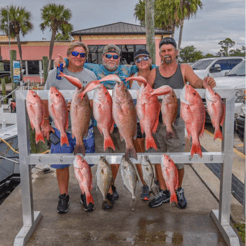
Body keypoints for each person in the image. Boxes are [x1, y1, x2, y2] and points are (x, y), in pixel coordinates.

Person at [147, 37, 216, 209]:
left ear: (176, 52)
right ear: (160, 54)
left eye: (169, 50)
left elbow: (196, 82)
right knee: (158, 158)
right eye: (163, 51)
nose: (166, 53)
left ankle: (177, 189)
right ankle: (164, 191)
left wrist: (206, 82)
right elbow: (145, 93)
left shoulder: (183, 69)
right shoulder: (154, 72)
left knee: (178, 159)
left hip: (177, 122)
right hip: (158, 123)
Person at [43, 42, 97, 213]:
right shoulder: (55, 73)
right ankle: (63, 195)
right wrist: (45, 123)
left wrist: (78, 105)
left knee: (85, 163)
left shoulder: (91, 75)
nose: (78, 57)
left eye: (82, 55)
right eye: (75, 54)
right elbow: (45, 99)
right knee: (61, 165)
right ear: (68, 55)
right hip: (61, 129)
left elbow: (96, 102)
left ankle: (85, 192)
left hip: (84, 129)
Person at [129, 48, 153, 201]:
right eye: (138, 59)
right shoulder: (131, 78)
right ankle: (145, 183)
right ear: (135, 63)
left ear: (151, 60)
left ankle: (158, 180)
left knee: (155, 153)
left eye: (145, 58)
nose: (142, 61)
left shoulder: (157, 74)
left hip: (153, 120)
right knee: (139, 152)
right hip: (137, 121)